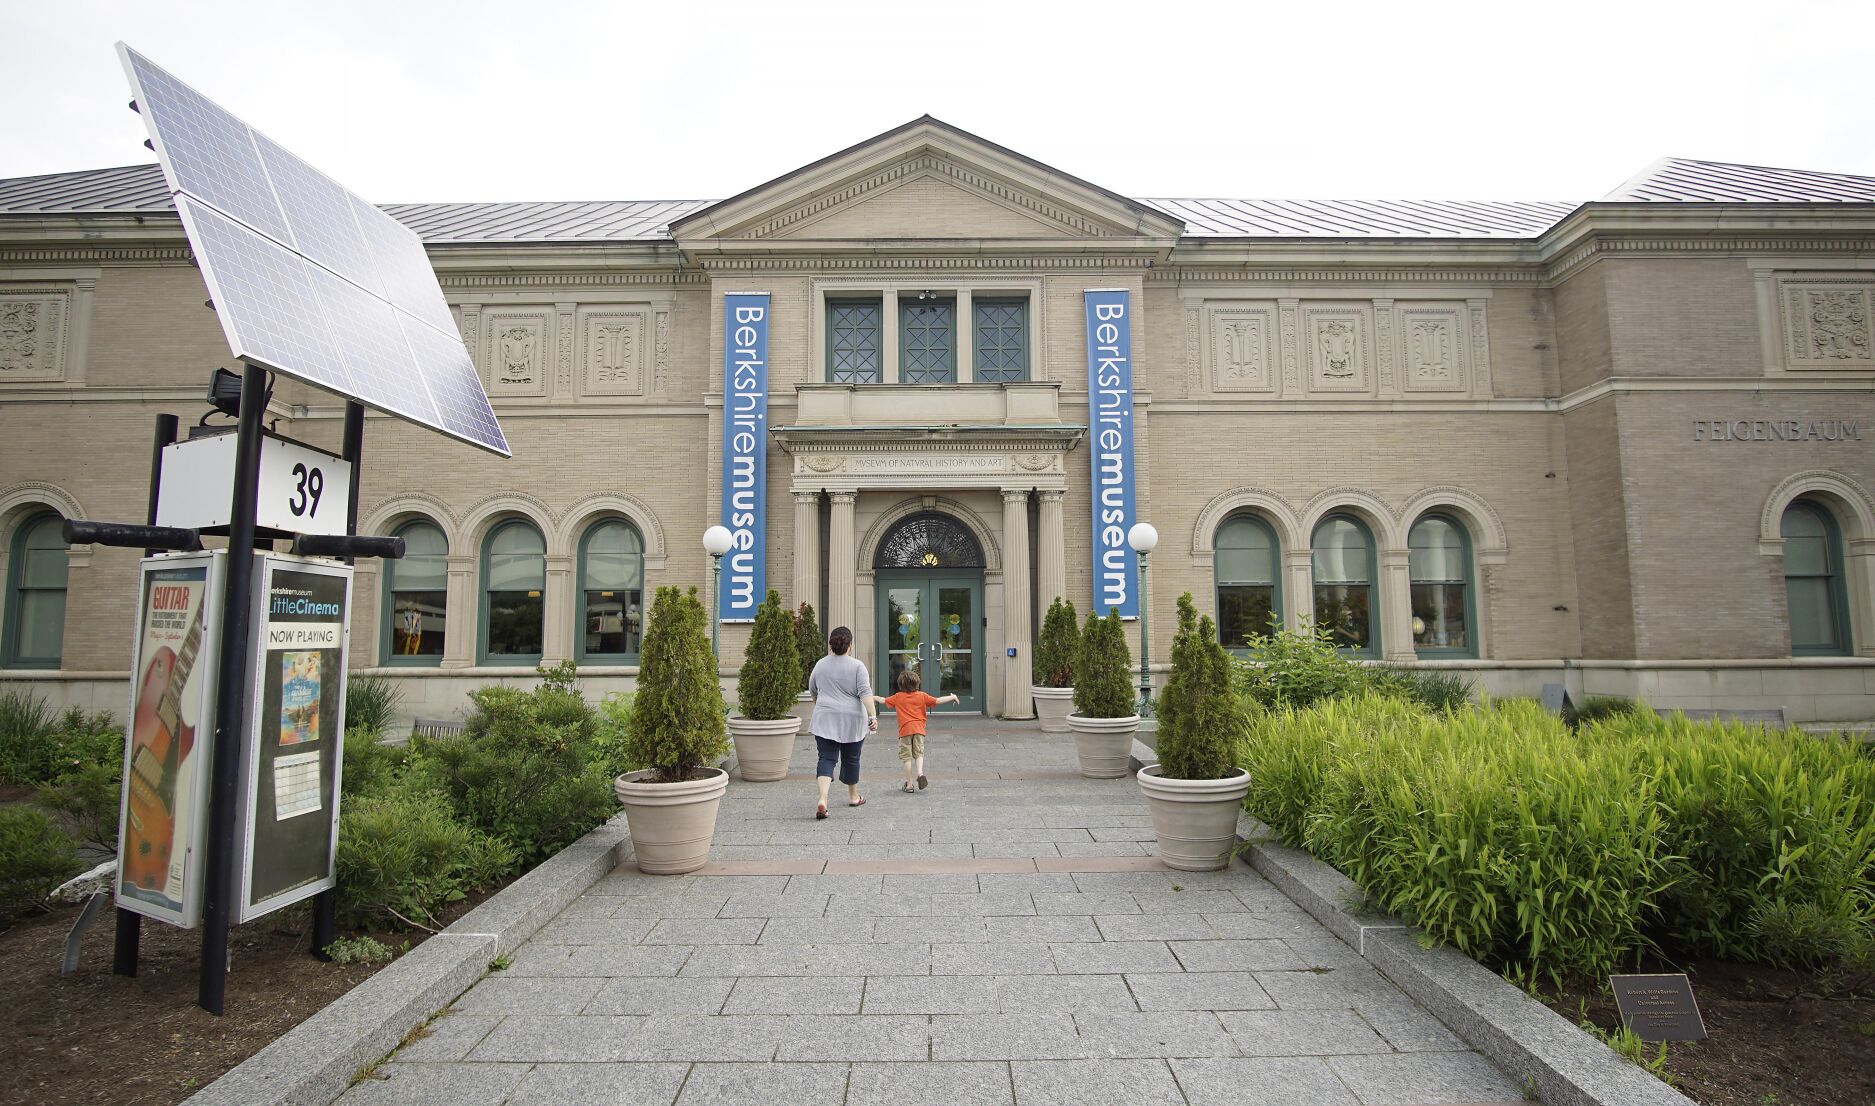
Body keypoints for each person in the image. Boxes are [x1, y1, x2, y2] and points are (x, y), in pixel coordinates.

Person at [805, 625, 875, 819]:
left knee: (826, 758)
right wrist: (873, 716)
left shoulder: (820, 664)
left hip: (825, 719)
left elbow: (813, 689)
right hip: (852, 720)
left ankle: (823, 799)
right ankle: (853, 796)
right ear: (849, 645)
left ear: (831, 645)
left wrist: (821, 706)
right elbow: (865, 693)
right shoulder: (857, 666)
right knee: (851, 758)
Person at [874, 670, 956, 793]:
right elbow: (938, 701)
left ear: (901, 685)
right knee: (919, 753)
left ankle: (909, 785)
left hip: (905, 731)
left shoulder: (898, 697)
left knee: (906, 758)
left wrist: (870, 696)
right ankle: (920, 773)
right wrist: (952, 697)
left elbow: (882, 700)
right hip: (919, 730)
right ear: (917, 683)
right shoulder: (922, 696)